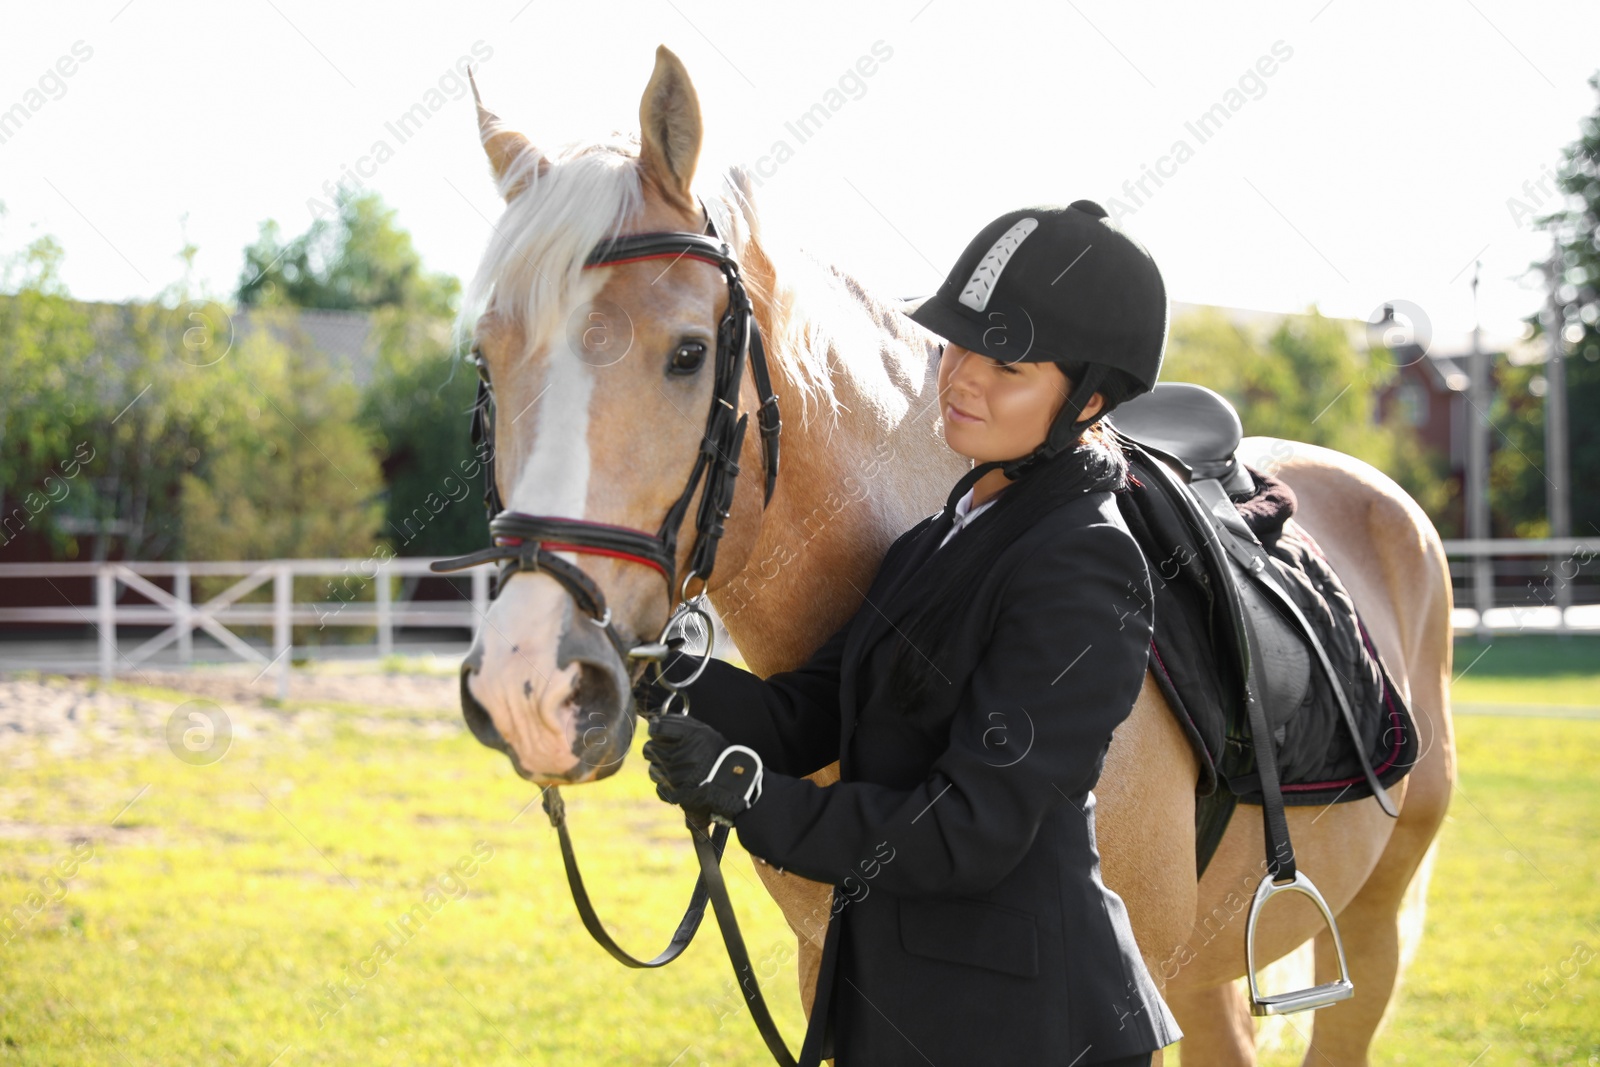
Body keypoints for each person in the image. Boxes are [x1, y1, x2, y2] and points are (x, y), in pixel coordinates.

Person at [639, 200, 1181, 1067]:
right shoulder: (937, 535)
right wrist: (657, 673)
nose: (960, 375)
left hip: (1034, 1032)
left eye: (1006, 363)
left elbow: (969, 826)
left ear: (1091, 399)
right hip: (904, 1017)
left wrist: (748, 796)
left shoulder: (1085, 563)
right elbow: (810, 715)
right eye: (957, 345)